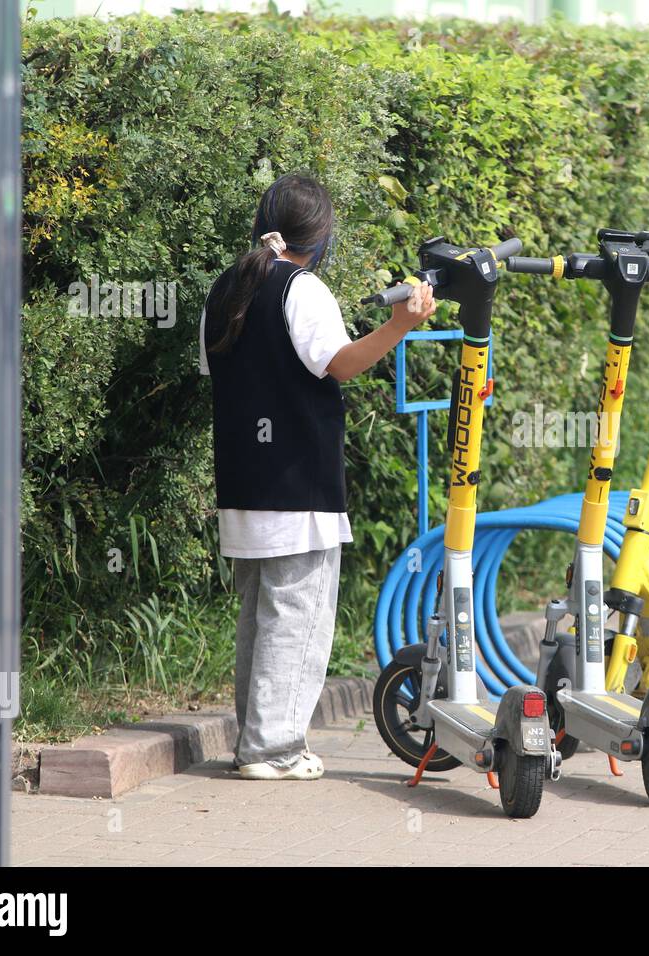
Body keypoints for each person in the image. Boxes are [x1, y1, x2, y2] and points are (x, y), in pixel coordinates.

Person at [200, 173, 435, 777]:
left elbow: (216, 370)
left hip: (243, 483)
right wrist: (402, 325)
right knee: (296, 616)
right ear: (323, 236)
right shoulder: (302, 289)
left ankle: (256, 742)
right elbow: (340, 363)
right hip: (298, 484)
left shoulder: (226, 288)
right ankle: (273, 749)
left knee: (260, 617)